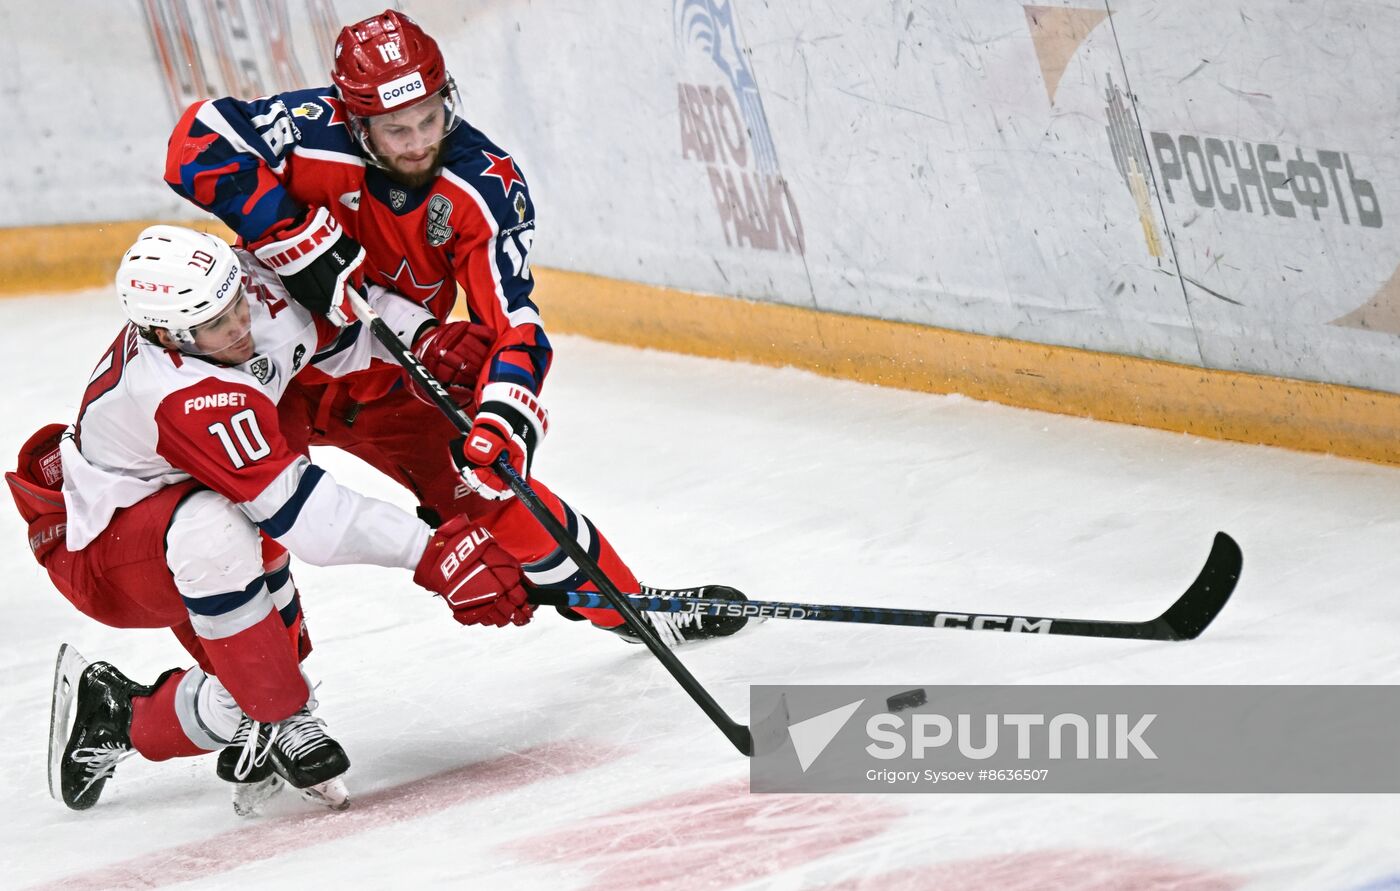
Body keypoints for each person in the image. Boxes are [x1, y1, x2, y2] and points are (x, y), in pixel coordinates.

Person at [164, 9, 747, 647]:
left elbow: (513, 318)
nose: (417, 142)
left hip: (382, 375)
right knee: (225, 525)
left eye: (430, 119)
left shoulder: (483, 184)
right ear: (357, 123)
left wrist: (503, 418)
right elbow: (197, 142)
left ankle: (635, 610)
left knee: (496, 498)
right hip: (252, 364)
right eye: (394, 129)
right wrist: (291, 234)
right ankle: (266, 714)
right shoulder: (310, 131)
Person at [6, 226, 532, 814]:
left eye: (236, 305)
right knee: (220, 523)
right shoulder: (180, 393)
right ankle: (282, 713)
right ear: (165, 335)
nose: (239, 327)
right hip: (110, 556)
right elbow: (307, 517)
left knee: (234, 696)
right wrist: (431, 553)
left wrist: (424, 341)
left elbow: (340, 319)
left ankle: (113, 716)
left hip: (182, 523)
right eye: (215, 324)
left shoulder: (238, 292)